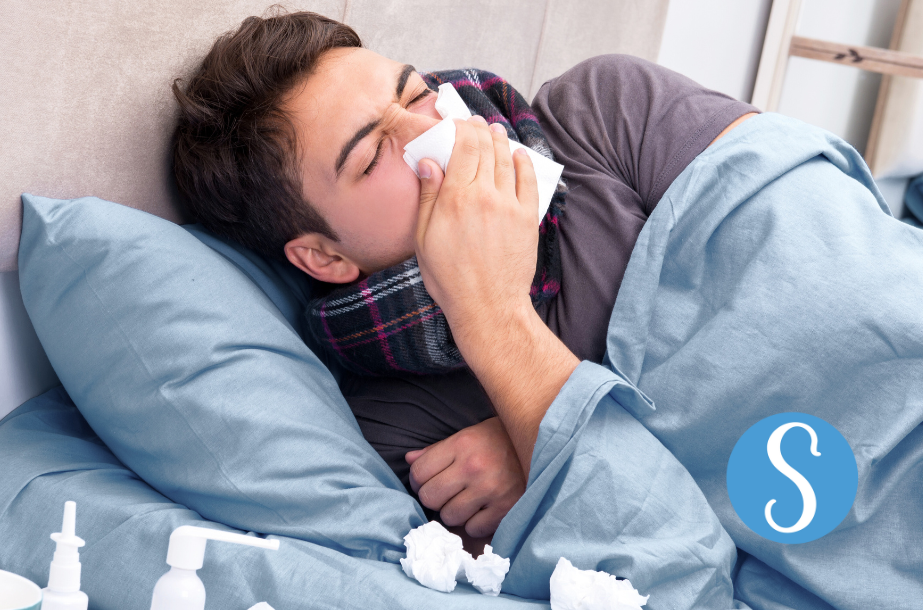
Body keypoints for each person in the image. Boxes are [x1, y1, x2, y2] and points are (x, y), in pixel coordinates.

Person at [171, 10, 755, 542]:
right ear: (325, 258)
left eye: (418, 93)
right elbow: (651, 556)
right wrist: (492, 318)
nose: (432, 128)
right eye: (373, 156)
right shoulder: (403, 438)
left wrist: (539, 443)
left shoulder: (610, 110)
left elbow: (816, 300)